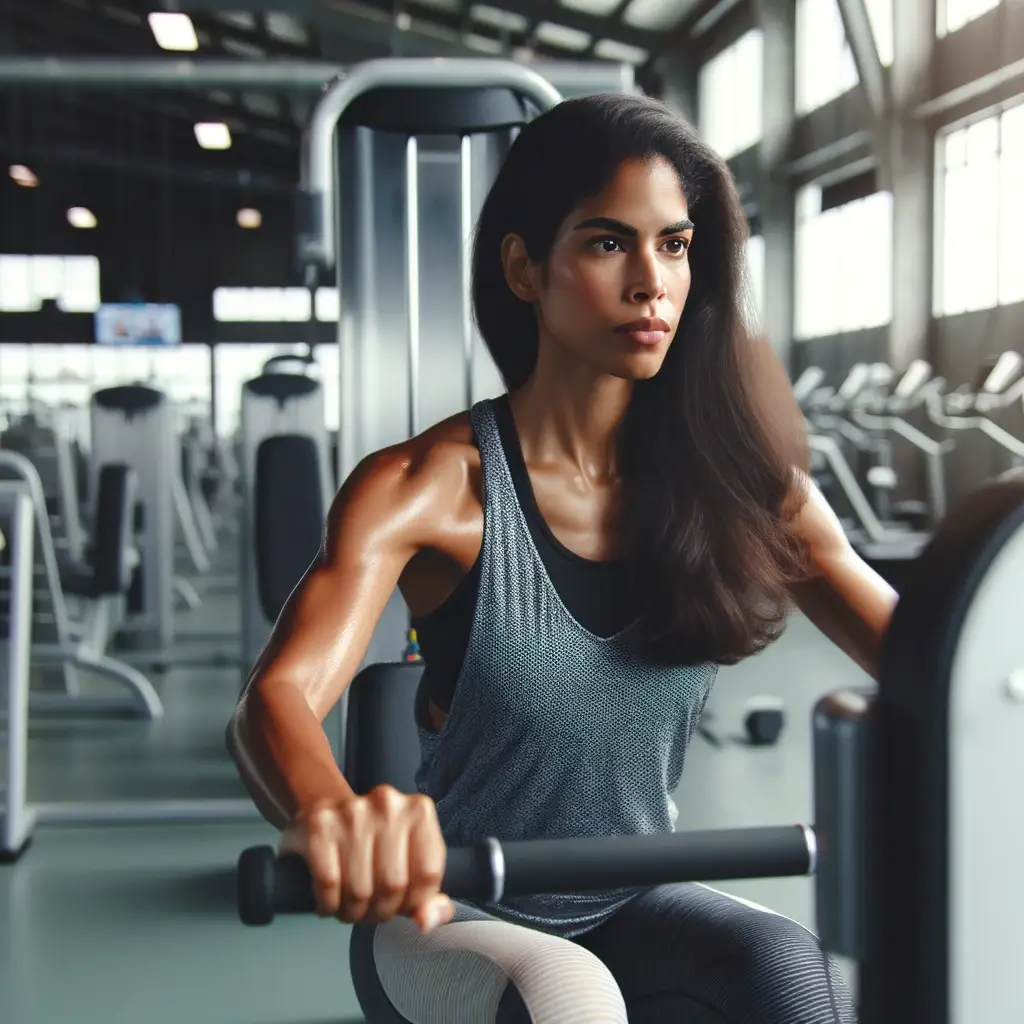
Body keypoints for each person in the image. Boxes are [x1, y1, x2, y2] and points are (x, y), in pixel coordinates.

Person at [227, 93, 895, 1022]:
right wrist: (328, 810)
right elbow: (275, 701)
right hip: (452, 914)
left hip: (635, 899)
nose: (651, 282)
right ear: (524, 267)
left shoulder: (743, 485)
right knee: (569, 998)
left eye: (675, 244)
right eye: (609, 243)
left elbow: (932, 659)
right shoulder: (427, 487)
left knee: (795, 973)